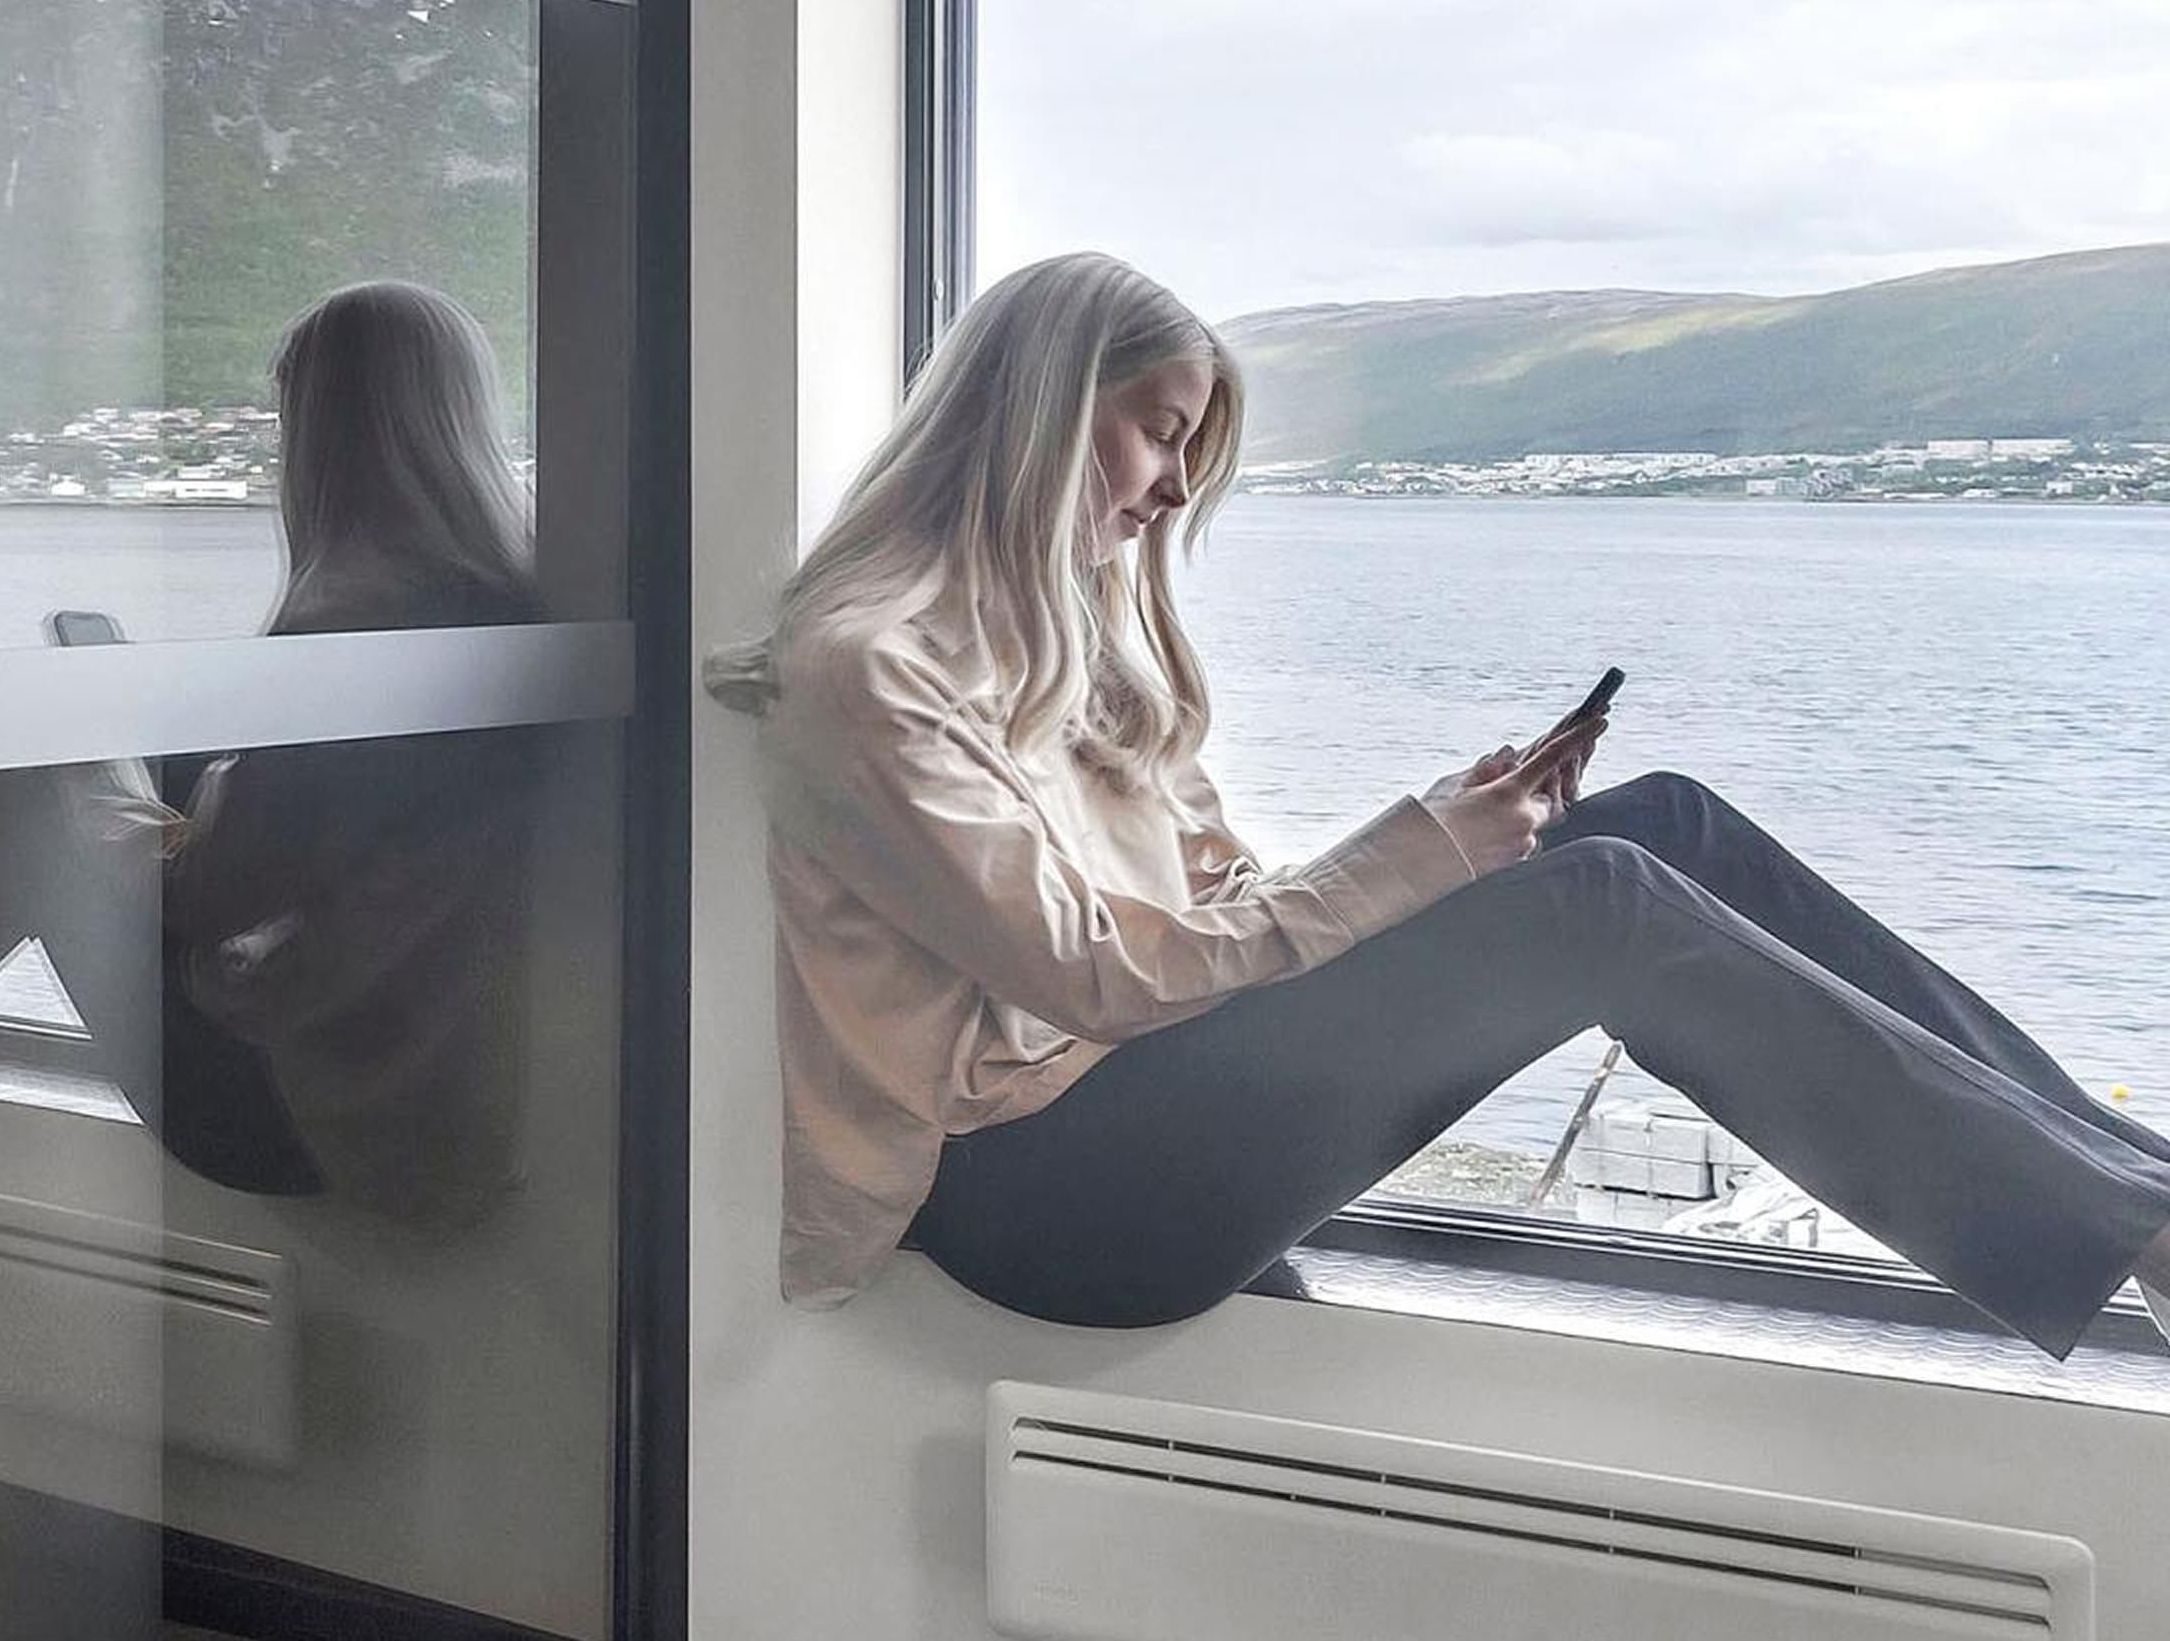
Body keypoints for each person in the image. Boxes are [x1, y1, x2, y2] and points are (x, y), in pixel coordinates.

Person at [705, 250, 2170, 1359]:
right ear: (1036, 413)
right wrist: (1417, 857)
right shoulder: (871, 666)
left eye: (1190, 451)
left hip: (1144, 1096)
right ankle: (2134, 1241)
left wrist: (1448, 853)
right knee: (1602, 906)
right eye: (1158, 432)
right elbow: (1090, 975)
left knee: (1654, 824)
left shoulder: (1071, 640)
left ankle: (2140, 1193)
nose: (1172, 489)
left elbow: (1220, 906)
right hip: (1030, 1188)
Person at [153, 280, 549, 1225]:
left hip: (309, 1101)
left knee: (33, 791)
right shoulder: (511, 602)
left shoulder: (346, 634)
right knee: (143, 784)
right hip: (458, 1079)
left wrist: (111, 814)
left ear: (319, 436)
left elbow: (207, 899)